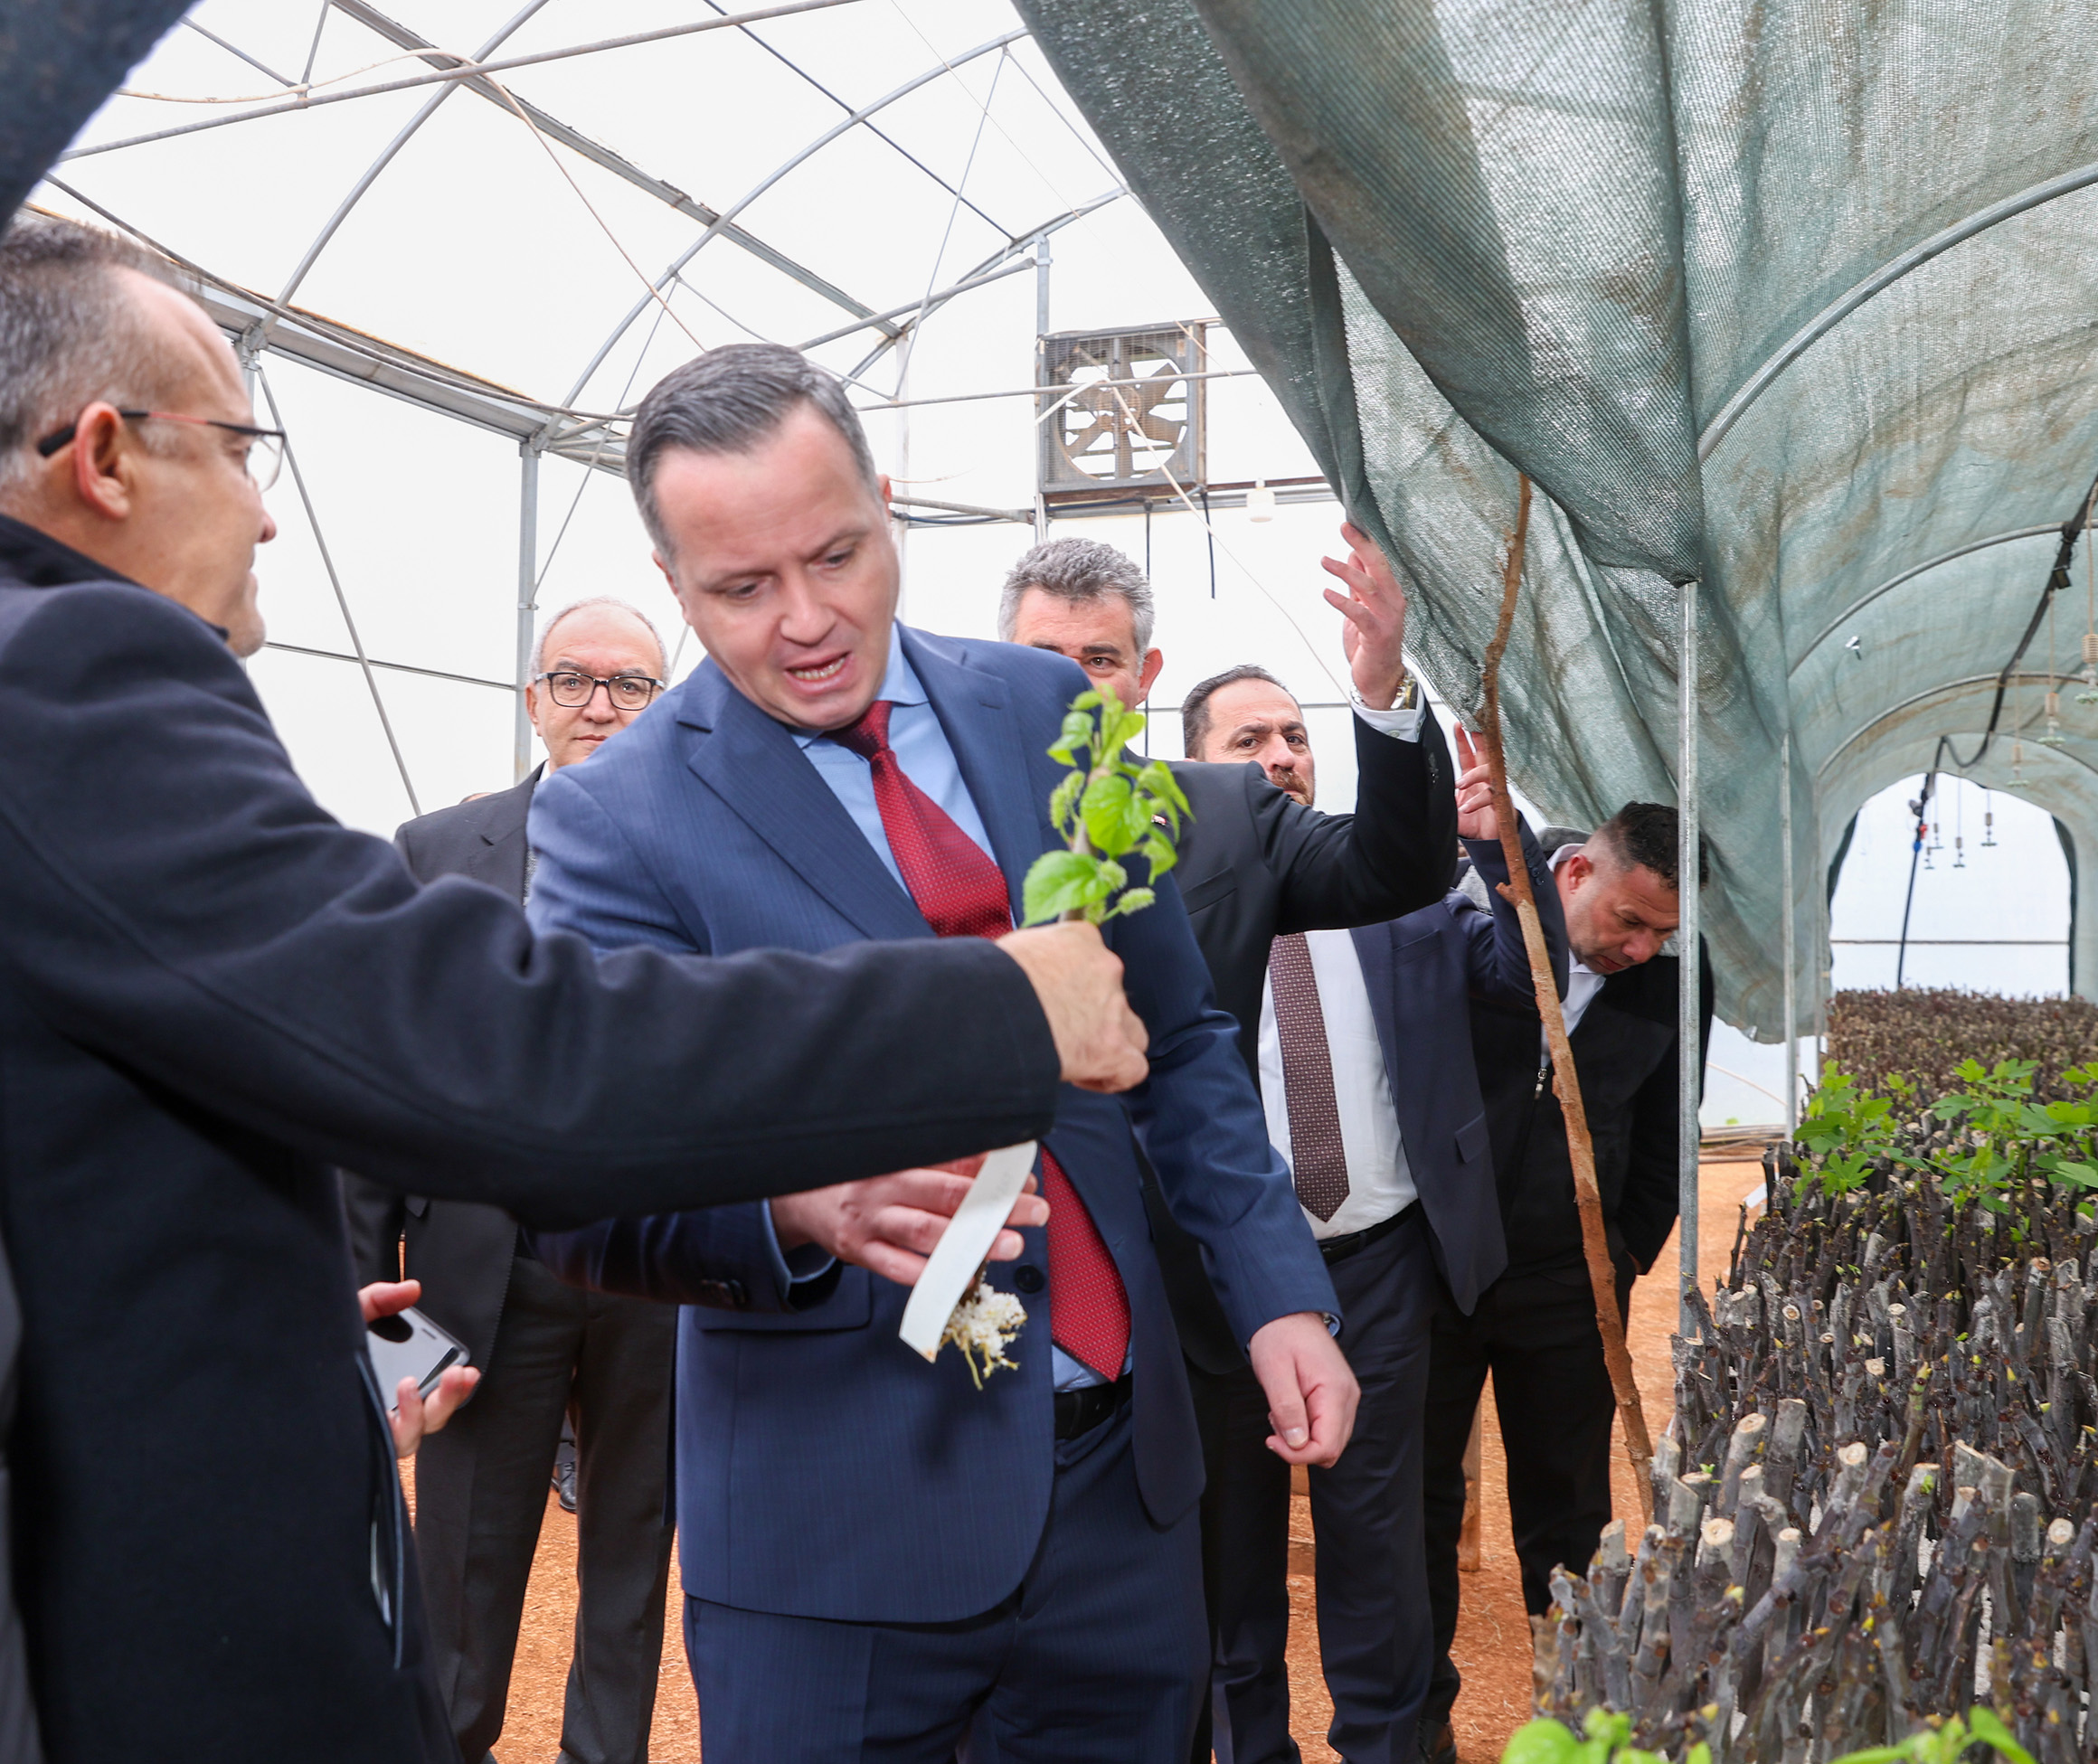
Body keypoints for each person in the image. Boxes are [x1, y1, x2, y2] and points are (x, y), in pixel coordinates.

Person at [0, 213, 1145, 1764]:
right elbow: (504, 1048)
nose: (268, 511)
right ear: (104, 459)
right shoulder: (65, 674)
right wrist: (1000, 1005)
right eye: (239, 447)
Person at [526, 341, 1356, 1763]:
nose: (807, 620)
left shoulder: (1046, 712)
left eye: (837, 555)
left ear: (888, 504)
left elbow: (1177, 1036)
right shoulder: (617, 819)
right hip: (834, 1542)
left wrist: (1276, 1288)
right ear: (675, 582)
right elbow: (578, 1177)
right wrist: (795, 1207)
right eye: (742, 587)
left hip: (1120, 1503)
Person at [997, 536, 1457, 1763]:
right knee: (1201, 1600)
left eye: (1099, 658)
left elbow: (1396, 865)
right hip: (1068, 1301)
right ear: (997, 662)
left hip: (1262, 1269)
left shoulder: (1219, 814)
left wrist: (1379, 690)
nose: (1070, 683)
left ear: (1142, 674)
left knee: (1351, 1565)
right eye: (1043, 656)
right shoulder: (943, 824)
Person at [1188, 712, 1570, 1764]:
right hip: (1223, 1285)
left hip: (1377, 1270)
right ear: (1195, 774)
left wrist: (1501, 853)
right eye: (1246, 741)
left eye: (1292, 733)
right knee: (1228, 1557)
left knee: (1380, 1549)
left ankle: (1390, 1746)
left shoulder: (1401, 887)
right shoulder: (1165, 910)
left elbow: (1524, 980)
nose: (1280, 755)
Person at [345, 596, 681, 1764]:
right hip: (483, 1273)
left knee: (633, 1561)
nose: (600, 704)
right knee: (461, 1577)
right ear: (532, 698)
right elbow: (379, 1083)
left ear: (664, 705)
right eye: (574, 678)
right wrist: (367, 1303)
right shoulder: (435, 851)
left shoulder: (711, 850)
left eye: (630, 684)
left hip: (665, 1271)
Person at [1415, 789, 1714, 1764]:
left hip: (1571, 1283)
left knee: (1568, 1512)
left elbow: (1667, 1134)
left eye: (1661, 934)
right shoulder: (1467, 906)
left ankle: (1574, 1721)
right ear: (1575, 872)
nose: (1640, 948)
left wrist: (1620, 1260)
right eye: (1629, 921)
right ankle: (1417, 1725)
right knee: (1417, 1502)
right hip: (1434, 1270)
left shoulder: (1674, 978)